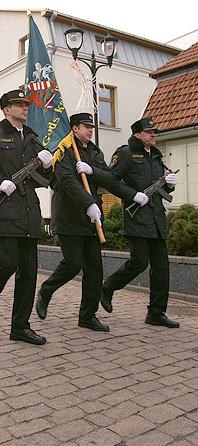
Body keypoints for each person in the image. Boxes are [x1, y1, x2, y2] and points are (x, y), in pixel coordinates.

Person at [35, 113, 143, 332]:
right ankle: (47, 290)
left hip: (91, 219)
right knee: (73, 263)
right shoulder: (64, 150)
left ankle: (87, 315)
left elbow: (110, 178)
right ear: (74, 128)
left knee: (95, 269)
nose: (90, 130)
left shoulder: (95, 151)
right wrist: (88, 203)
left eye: (92, 127)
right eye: (86, 127)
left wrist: (93, 171)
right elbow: (65, 181)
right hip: (69, 216)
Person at [0, 89, 53, 345]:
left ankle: (20, 327)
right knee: (9, 262)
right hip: (4, 211)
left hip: (28, 212)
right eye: (18, 105)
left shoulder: (34, 139)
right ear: (6, 109)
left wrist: (48, 166)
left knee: (29, 272)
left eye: (26, 105)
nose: (25, 108)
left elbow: (45, 181)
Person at [100, 116, 180, 328]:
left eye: (154, 131)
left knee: (162, 268)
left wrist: (169, 185)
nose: (153, 134)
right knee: (139, 263)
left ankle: (156, 313)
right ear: (137, 134)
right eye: (149, 132)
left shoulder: (156, 156)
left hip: (157, 218)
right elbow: (110, 180)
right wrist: (132, 195)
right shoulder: (125, 153)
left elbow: (158, 187)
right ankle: (108, 287)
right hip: (137, 217)